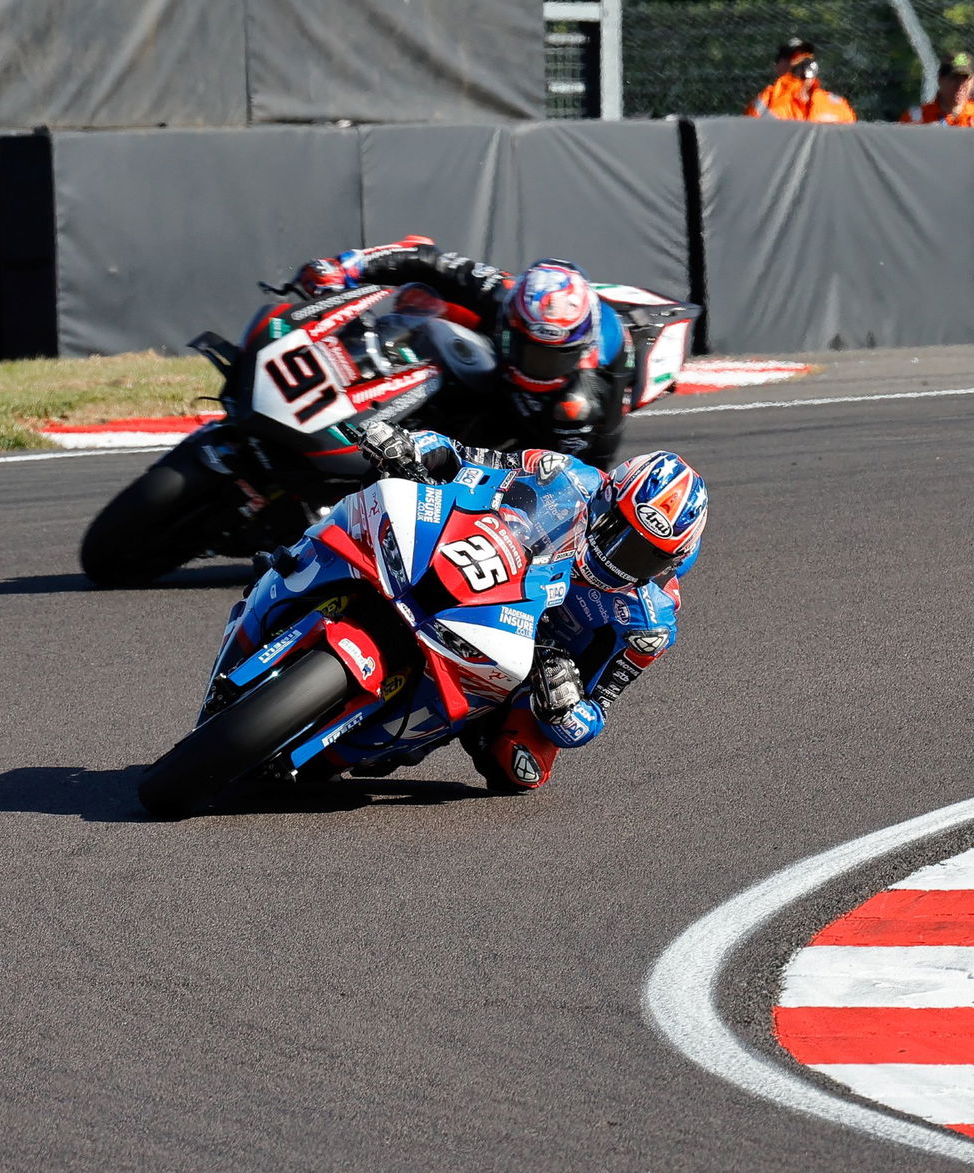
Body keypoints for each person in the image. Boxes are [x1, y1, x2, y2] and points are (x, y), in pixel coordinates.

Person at [356, 423, 708, 792]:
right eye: (613, 529)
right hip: (479, 570)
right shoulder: (561, 474)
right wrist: (412, 445)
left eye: (642, 556)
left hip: (530, 663)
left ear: (671, 562)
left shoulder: (649, 624)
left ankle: (414, 731)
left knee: (521, 767)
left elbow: (597, 708)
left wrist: (566, 707)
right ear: (606, 496)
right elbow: (465, 457)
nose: (617, 556)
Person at [293, 237, 636, 467]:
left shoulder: (584, 402)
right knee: (423, 299)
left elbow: (580, 478)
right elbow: (429, 259)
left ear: (577, 352)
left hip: (549, 422)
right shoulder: (504, 296)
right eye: (531, 352)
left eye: (552, 358)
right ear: (511, 327)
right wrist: (346, 268)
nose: (538, 367)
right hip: (499, 369)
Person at [746, 36, 858, 123]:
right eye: (791, 58)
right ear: (778, 66)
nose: (801, 62)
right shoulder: (766, 102)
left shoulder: (836, 104)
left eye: (805, 57)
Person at [902, 52, 974, 127]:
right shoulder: (915, 119)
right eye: (955, 78)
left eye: (966, 78)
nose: (961, 84)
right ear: (940, 79)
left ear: (973, 81)